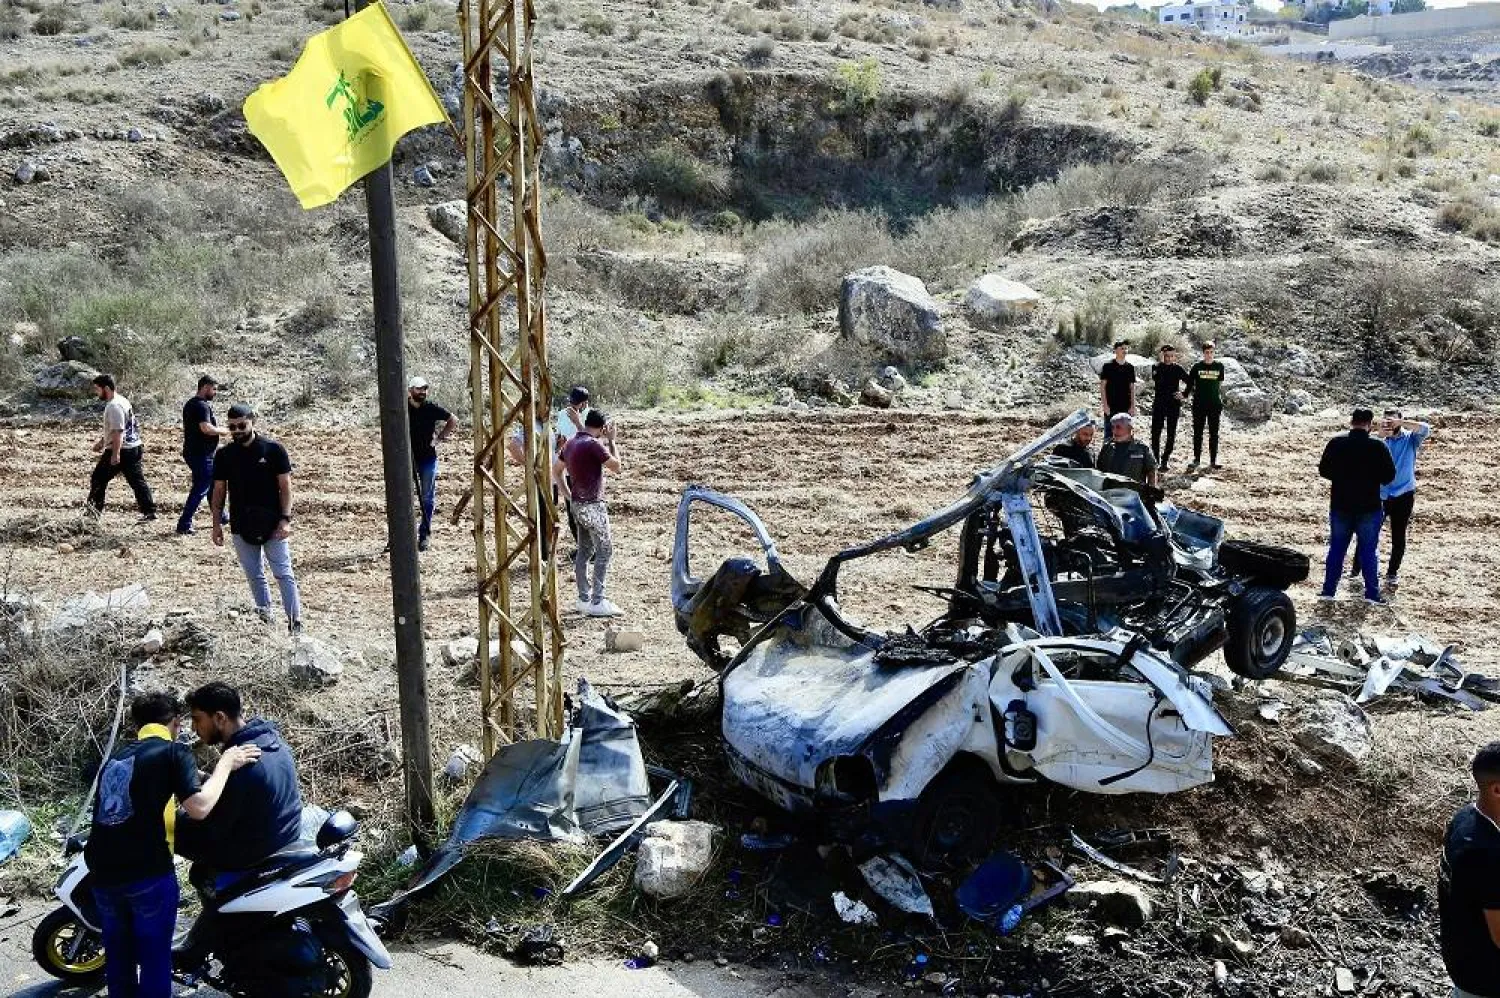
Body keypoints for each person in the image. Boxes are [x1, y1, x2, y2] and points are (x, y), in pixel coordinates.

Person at [85, 692, 260, 998]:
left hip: (101, 874)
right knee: (154, 961)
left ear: (137, 724)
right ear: (175, 723)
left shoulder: (116, 757)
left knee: (119, 959)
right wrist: (226, 764)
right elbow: (199, 807)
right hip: (146, 874)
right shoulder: (173, 752)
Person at [175, 683, 304, 878]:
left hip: (255, 851)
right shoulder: (271, 740)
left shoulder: (244, 763)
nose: (193, 728)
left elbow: (211, 827)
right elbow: (245, 792)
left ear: (219, 718)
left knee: (165, 831)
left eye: (197, 719)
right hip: (286, 833)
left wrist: (181, 815)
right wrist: (207, 779)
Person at [209, 404, 303, 634]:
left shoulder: (273, 450)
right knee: (254, 575)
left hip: (274, 524)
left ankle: (295, 623)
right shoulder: (223, 455)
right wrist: (216, 524)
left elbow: (285, 487)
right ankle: (265, 621)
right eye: (232, 427)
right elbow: (219, 491)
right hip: (241, 525)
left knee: (283, 573)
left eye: (242, 425)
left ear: (253, 421)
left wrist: (286, 519)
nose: (238, 430)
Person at [1439, 741, 1500, 998]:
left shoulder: (1464, 818)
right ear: (1497, 790)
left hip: (1462, 960)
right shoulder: (1487, 855)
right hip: (1487, 979)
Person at [1317, 407, 1397, 604]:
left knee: (1336, 549)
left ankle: (1329, 591)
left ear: (1352, 422)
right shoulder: (1378, 447)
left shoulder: (1336, 443)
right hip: (1369, 507)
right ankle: (1371, 593)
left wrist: (1342, 477)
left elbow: (1324, 470)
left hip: (1341, 504)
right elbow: (1389, 477)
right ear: (1370, 425)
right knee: (1368, 552)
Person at [1348, 408, 1432, 591]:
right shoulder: (1378, 441)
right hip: (1379, 494)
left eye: (1393, 420)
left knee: (1398, 535)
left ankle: (1392, 572)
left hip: (1404, 494)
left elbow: (1425, 429)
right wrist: (1378, 435)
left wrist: (1400, 423)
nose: (1389, 424)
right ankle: (1355, 570)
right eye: (1386, 420)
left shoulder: (1410, 439)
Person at [555, 409, 622, 617]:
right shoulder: (595, 444)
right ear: (602, 428)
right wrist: (612, 441)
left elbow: (555, 471)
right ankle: (597, 600)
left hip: (577, 504)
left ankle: (583, 597)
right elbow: (616, 467)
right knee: (604, 550)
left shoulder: (572, 442)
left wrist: (568, 496)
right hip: (593, 505)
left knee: (584, 550)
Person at [87, 373, 157, 523]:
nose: (96, 393)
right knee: (137, 481)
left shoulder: (114, 406)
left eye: (97, 389)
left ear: (106, 388)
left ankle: (92, 515)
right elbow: (117, 428)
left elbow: (119, 431)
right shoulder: (122, 401)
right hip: (133, 447)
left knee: (98, 479)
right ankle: (149, 512)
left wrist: (115, 454)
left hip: (122, 449)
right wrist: (102, 442)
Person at [406, 376, 457, 552]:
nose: (422, 392)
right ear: (410, 390)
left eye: (425, 389)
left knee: (427, 497)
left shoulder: (430, 408)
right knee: (404, 498)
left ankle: (424, 534)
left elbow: (452, 420)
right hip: (407, 459)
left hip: (428, 458)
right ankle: (402, 536)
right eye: (419, 389)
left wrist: (440, 438)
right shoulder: (402, 407)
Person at [505, 395, 558, 562]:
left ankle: (548, 552)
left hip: (552, 477)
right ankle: (542, 555)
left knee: (550, 515)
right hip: (540, 478)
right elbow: (513, 446)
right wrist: (529, 465)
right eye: (544, 406)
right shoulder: (530, 427)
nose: (547, 409)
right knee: (541, 516)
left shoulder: (547, 426)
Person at [176, 375, 229, 536]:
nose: (215, 393)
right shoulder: (201, 406)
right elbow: (206, 428)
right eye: (214, 389)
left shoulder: (192, 404)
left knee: (212, 485)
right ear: (205, 387)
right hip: (201, 454)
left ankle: (222, 517)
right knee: (201, 487)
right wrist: (225, 431)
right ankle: (184, 523)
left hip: (197, 452)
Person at [555, 386, 591, 541]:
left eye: (576, 404)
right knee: (571, 510)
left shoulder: (591, 416)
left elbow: (592, 441)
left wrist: (577, 422)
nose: (572, 407)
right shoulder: (562, 414)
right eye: (571, 403)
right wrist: (559, 443)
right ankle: (580, 546)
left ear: (584, 404)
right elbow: (559, 437)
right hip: (567, 469)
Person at [1186, 341, 1226, 471]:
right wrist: (1184, 395)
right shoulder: (1196, 367)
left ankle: (1213, 460)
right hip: (1199, 405)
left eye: (1211, 352)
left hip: (1214, 405)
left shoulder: (1219, 366)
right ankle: (1196, 459)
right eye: (1206, 352)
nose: (1209, 355)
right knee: (1198, 432)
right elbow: (1190, 385)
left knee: (1214, 433)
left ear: (1214, 352)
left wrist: (1217, 399)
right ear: (1203, 353)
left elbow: (1219, 385)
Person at [1150, 344, 1190, 469]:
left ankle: (1165, 460)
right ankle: (1155, 459)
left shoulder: (1178, 368)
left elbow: (1190, 382)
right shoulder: (1156, 367)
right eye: (1166, 356)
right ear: (1162, 355)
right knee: (1156, 432)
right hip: (1159, 404)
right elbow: (1157, 378)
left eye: (1171, 356)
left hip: (1173, 405)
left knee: (1171, 433)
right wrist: (1161, 362)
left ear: (1174, 356)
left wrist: (1184, 394)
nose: (1169, 358)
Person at [1096, 413, 1158, 487]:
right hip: (1110, 493)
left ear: (1130, 428)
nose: (1114, 431)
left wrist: (1151, 490)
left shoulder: (1141, 448)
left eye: (1118, 427)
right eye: (1113, 427)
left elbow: (1151, 470)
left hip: (1133, 494)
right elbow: (1098, 471)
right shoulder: (1107, 447)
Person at [1098, 340, 1136, 425]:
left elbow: (1132, 387)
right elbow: (1102, 386)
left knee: (1124, 432)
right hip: (1111, 405)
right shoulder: (1107, 366)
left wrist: (1133, 406)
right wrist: (1105, 405)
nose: (1124, 351)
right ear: (1115, 350)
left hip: (1126, 406)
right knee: (1109, 433)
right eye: (1122, 348)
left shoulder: (1130, 367)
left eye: (1126, 349)